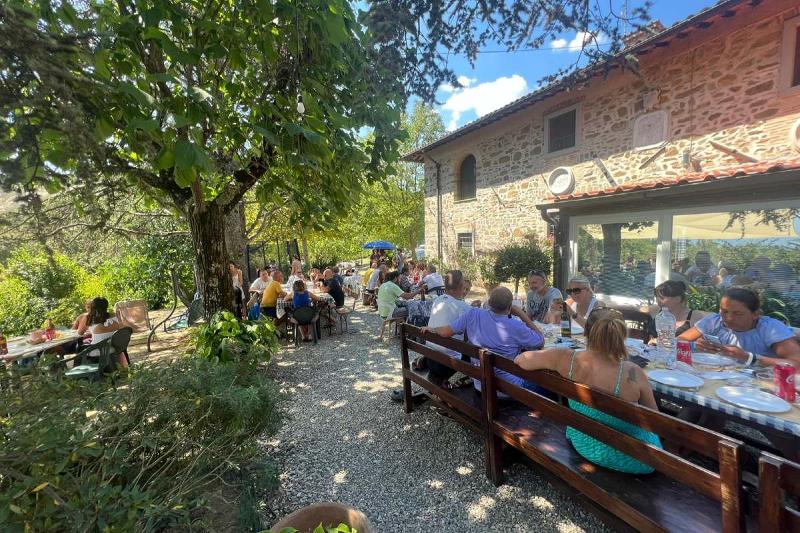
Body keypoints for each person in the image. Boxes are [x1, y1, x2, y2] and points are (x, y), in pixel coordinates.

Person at [514, 308, 662, 474]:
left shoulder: (564, 358)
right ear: (621, 335)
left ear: (585, 332)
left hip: (583, 440)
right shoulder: (633, 372)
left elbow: (521, 360)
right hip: (633, 458)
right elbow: (656, 422)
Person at [421, 287, 546, 396]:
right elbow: (540, 341)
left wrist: (431, 329)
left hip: (480, 386)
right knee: (549, 388)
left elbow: (445, 332)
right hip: (507, 391)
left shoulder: (472, 314)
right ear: (510, 307)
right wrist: (521, 313)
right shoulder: (515, 326)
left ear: (489, 303)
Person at [679, 287, 800, 368]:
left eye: (738, 314)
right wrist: (694, 346)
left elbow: (797, 365)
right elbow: (677, 341)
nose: (729, 318)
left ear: (755, 314)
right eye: (724, 311)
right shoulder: (714, 321)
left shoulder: (770, 328)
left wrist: (749, 358)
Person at [77, 297, 132, 368]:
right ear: (106, 306)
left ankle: (81, 375)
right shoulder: (115, 315)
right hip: (115, 347)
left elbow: (80, 333)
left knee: (79, 348)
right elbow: (121, 329)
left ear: (93, 307)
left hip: (98, 351)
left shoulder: (88, 318)